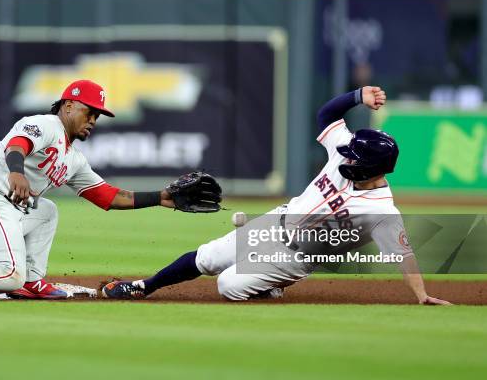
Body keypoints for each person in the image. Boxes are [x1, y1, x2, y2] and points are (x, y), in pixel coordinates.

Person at [102, 86, 452, 305]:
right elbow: (326, 114)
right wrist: (358, 96)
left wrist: (421, 296)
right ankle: (143, 287)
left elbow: (404, 255)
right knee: (207, 258)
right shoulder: (346, 148)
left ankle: (270, 286)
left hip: (297, 257)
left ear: (373, 168)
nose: (347, 155)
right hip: (276, 221)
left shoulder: (381, 212)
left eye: (354, 157)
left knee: (228, 286)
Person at [0, 80, 193, 300]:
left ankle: (31, 283)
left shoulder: (74, 158)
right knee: (8, 272)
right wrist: (16, 172)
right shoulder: (46, 124)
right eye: (89, 112)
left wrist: (161, 198)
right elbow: (18, 145)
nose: (92, 120)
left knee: (47, 210)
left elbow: (108, 196)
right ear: (68, 105)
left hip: (7, 207)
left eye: (96, 116)